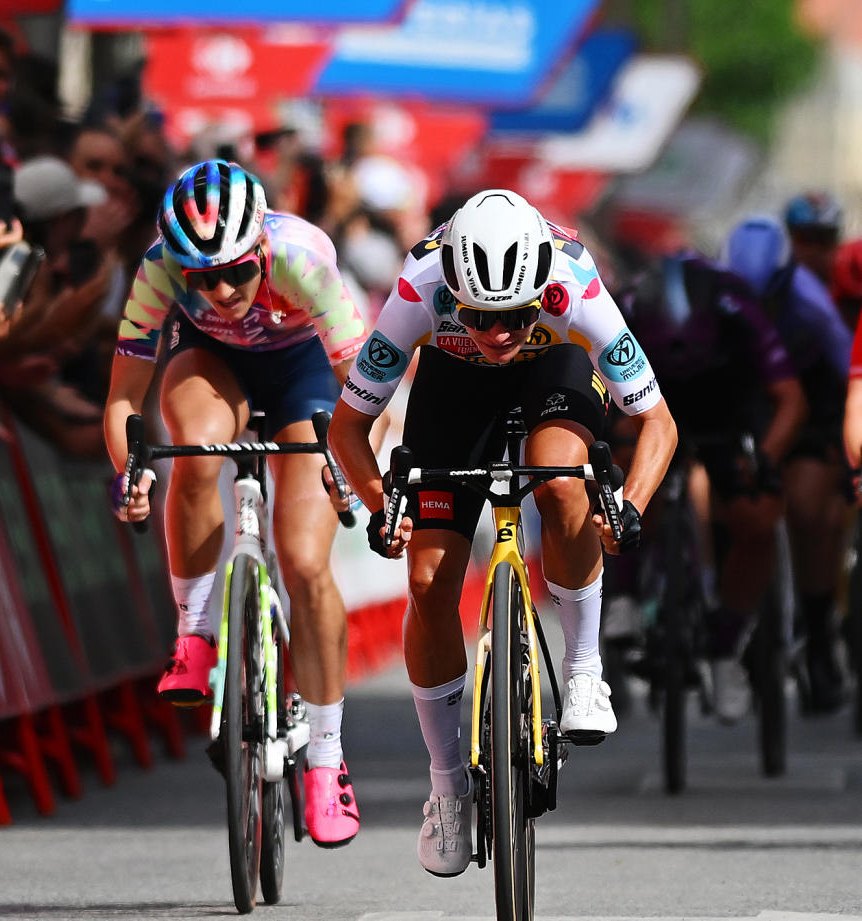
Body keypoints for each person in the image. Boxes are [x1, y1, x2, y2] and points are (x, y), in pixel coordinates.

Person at [328, 189, 677, 877]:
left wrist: (630, 502)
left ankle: (583, 670)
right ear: (452, 287)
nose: (498, 335)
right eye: (482, 317)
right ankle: (448, 785)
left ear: (540, 290)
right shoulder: (417, 286)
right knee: (428, 582)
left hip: (554, 374)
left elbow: (659, 422)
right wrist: (379, 505)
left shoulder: (575, 281)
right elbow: (346, 427)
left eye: (515, 316)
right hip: (452, 391)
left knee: (561, 482)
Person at [105, 159, 368, 847]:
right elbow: (124, 399)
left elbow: (366, 395)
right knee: (191, 447)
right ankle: (194, 632)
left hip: (305, 372)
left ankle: (326, 759)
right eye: (201, 278)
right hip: (212, 364)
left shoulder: (304, 258)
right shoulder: (159, 264)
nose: (220, 290)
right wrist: (130, 471)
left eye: (235, 273)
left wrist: (350, 466)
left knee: (305, 562)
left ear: (261, 251)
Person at [617, 252, 807, 722]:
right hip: (653, 399)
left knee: (757, 518)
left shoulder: (735, 305)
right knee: (624, 470)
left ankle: (727, 649)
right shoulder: (628, 305)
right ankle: (625, 591)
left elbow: (789, 399)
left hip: (728, 407)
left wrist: (764, 462)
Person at [723, 216, 852, 714]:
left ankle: (818, 637)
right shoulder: (717, 294)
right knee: (712, 495)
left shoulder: (811, 306)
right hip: (741, 403)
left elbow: (850, 376)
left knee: (805, 509)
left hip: (809, 410)